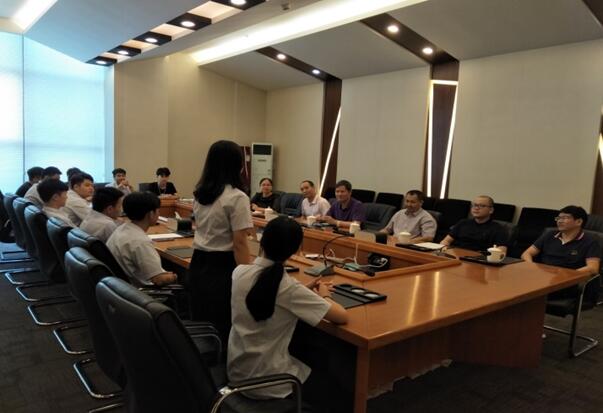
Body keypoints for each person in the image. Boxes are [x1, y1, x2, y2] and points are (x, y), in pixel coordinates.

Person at [228, 216, 348, 406]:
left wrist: (304, 290)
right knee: (339, 390)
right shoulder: (288, 288)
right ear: (296, 250)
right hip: (268, 382)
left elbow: (269, 294)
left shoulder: (239, 272)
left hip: (237, 372)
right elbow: (341, 316)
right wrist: (324, 295)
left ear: (261, 240)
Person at [187, 140, 253, 342]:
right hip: (223, 266)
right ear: (237, 165)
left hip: (198, 262)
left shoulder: (200, 193)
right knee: (222, 323)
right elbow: (240, 243)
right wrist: (248, 277)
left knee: (203, 320)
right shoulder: (237, 197)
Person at [521, 206, 600, 299]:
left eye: (565, 218)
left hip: (567, 283)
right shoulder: (550, 235)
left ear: (578, 222)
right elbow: (526, 254)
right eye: (558, 218)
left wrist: (568, 275)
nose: (559, 221)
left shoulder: (590, 242)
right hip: (543, 278)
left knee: (526, 292)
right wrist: (532, 267)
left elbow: (593, 268)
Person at [106, 192, 177, 287]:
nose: (158, 213)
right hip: (140, 291)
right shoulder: (140, 241)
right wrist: (175, 276)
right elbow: (158, 280)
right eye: (158, 210)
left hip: (120, 287)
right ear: (151, 214)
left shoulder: (121, 229)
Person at [440, 195, 508, 252]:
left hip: (480, 260)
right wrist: (444, 250)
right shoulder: (463, 223)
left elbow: (502, 250)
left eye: (481, 206)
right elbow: (446, 241)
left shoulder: (498, 228)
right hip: (457, 256)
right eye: (474, 205)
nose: (476, 208)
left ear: (491, 210)